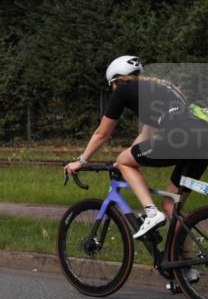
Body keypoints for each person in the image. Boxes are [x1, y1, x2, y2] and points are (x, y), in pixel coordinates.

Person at [64, 56, 208, 239]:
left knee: (124, 161)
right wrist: (127, 159)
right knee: (171, 204)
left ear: (117, 80)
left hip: (181, 138)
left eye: (112, 85)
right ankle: (182, 257)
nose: (113, 90)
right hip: (202, 141)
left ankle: (151, 214)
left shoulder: (123, 90)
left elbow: (102, 134)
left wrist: (81, 161)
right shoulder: (158, 88)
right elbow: (145, 135)